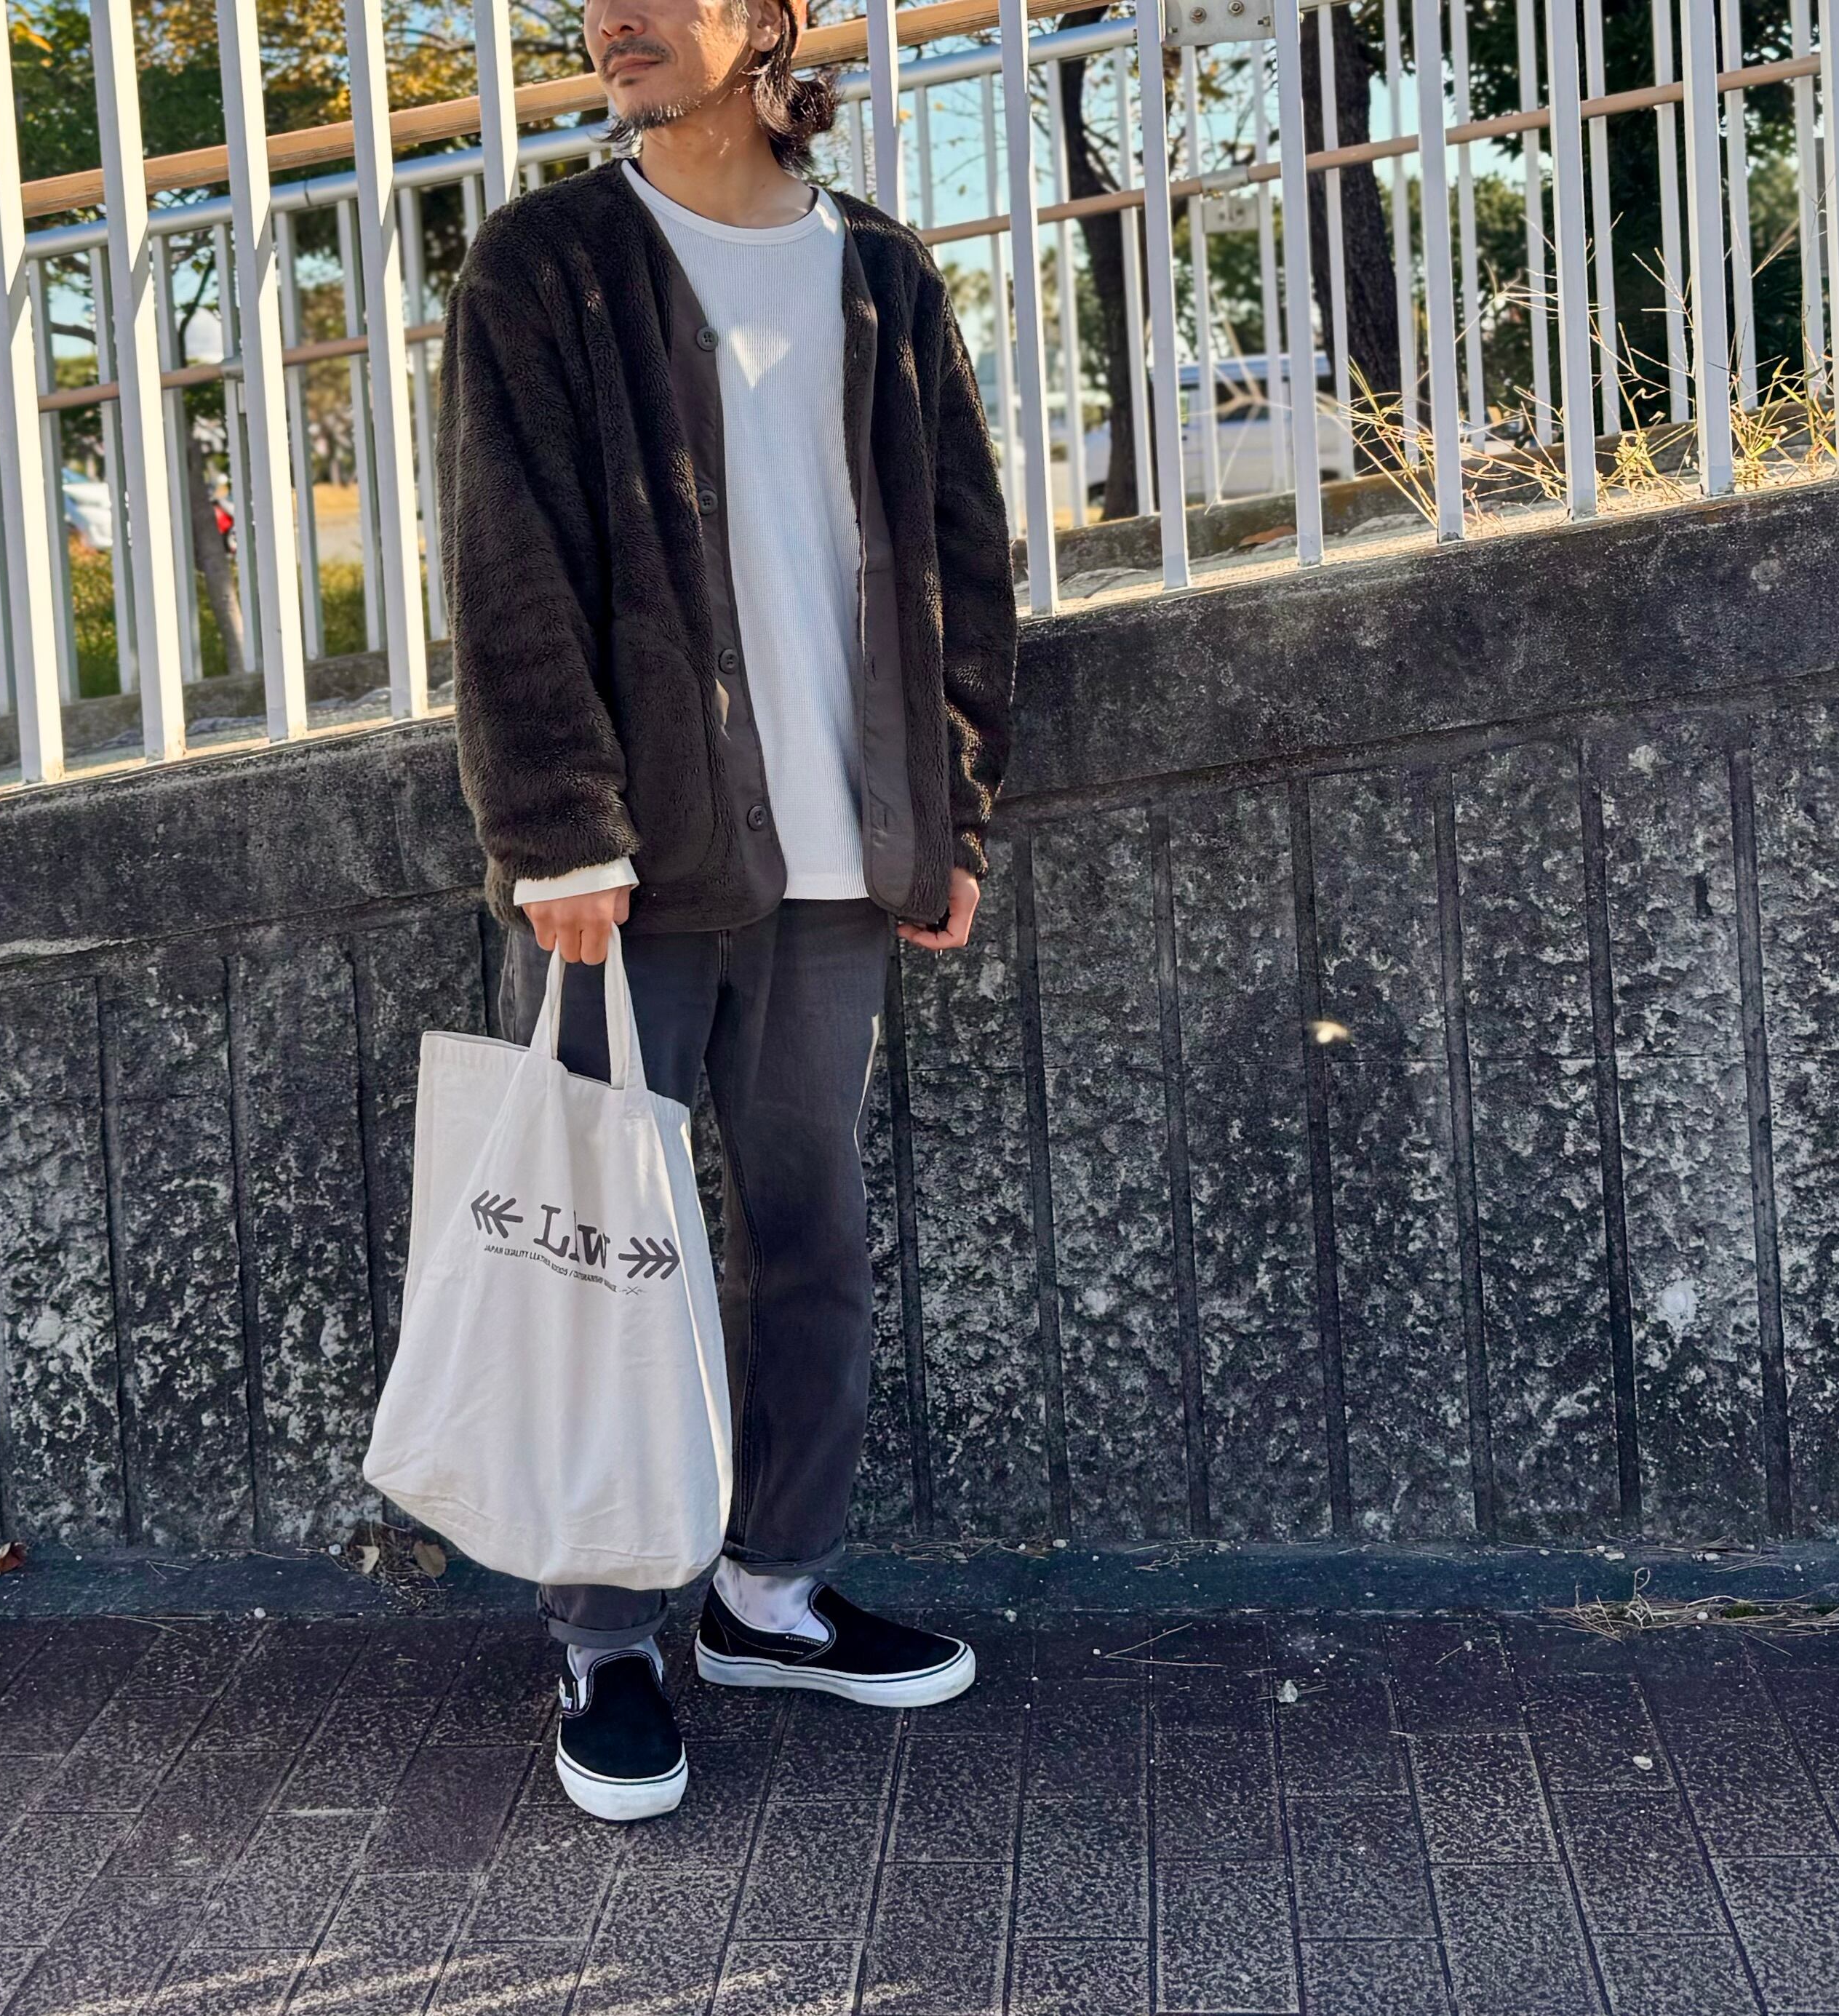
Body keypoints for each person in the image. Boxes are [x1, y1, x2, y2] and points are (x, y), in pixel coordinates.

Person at [435, 0, 1016, 1822]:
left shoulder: (881, 273)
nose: (613, 15)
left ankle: (773, 1591)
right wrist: (559, 830)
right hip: (637, 864)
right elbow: (506, 558)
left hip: (847, 850)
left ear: (766, 20)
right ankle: (606, 1638)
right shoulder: (547, 263)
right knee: (601, 1243)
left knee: (809, 1237)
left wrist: (952, 810)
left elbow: (965, 549)